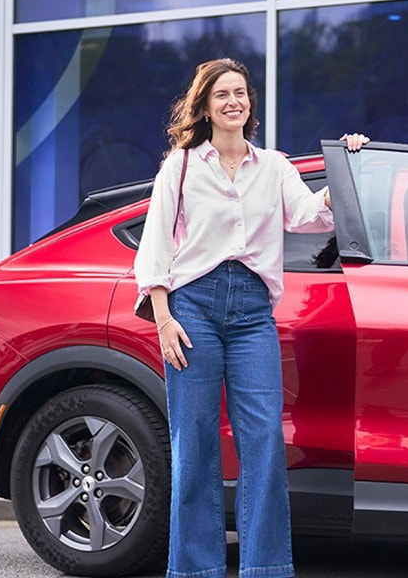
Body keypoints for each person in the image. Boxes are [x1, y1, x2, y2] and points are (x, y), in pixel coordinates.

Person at [133, 57, 368, 578]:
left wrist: (348, 170)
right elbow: (153, 247)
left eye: (240, 93)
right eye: (222, 95)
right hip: (192, 307)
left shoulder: (275, 167)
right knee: (193, 442)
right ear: (206, 106)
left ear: (250, 104)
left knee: (262, 442)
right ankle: (196, 569)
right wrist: (164, 316)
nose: (234, 101)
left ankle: (265, 569)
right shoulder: (183, 166)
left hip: (252, 314)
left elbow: (310, 216)